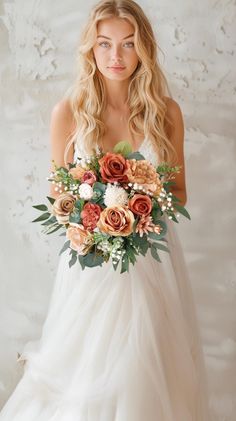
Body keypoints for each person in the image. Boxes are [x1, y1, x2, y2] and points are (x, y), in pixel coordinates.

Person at [0, 1, 212, 420]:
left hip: (152, 259)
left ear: (143, 50)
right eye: (105, 44)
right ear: (91, 50)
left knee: (147, 366)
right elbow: (60, 199)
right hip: (91, 266)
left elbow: (181, 193)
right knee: (85, 370)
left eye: (128, 44)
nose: (116, 57)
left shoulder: (165, 113)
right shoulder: (70, 113)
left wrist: (139, 202)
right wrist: (96, 212)